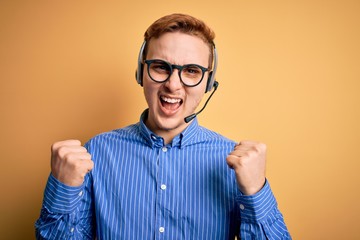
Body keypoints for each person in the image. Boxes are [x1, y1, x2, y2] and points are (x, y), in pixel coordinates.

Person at [35, 13, 291, 239]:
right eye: (160, 67)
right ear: (140, 72)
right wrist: (63, 190)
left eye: (191, 71)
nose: (173, 84)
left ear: (208, 82)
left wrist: (256, 192)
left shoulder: (235, 163)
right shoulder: (97, 152)